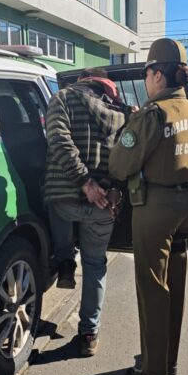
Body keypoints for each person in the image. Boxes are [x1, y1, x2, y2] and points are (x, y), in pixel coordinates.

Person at [109, 38, 188, 375]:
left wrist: (130, 126)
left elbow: (120, 164)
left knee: (152, 289)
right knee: (174, 286)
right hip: (185, 204)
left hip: (155, 208)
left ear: (157, 75)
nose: (146, 80)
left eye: (147, 73)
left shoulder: (151, 113)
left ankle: (152, 372)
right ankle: (167, 360)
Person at [44, 67, 127, 356]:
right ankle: (89, 334)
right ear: (108, 87)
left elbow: (58, 139)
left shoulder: (63, 98)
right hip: (103, 202)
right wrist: (114, 187)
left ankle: (65, 262)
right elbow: (126, 156)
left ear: (83, 81)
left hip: (65, 197)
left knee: (57, 210)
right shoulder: (120, 113)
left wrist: (83, 181)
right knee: (95, 265)